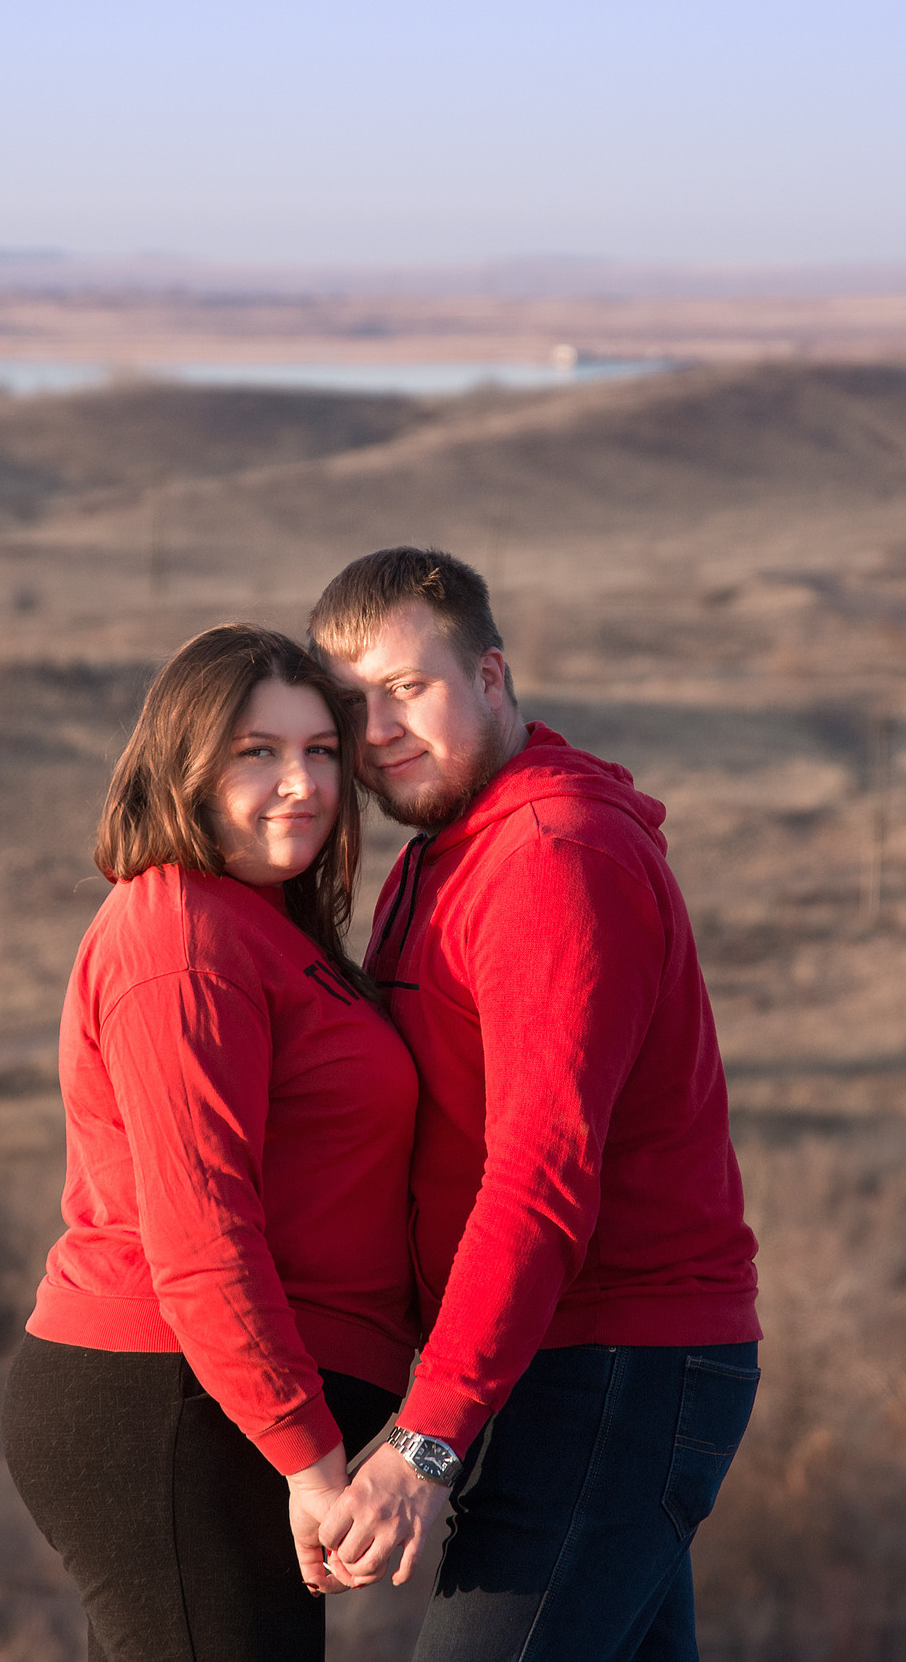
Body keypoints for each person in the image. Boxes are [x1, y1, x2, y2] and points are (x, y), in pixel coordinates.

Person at [310, 548, 762, 1660]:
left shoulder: (552, 860)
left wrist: (428, 1440)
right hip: (561, 1361)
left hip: (614, 1366)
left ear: (492, 677)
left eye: (408, 688)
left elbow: (539, 1174)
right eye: (350, 704)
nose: (377, 731)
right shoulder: (447, 854)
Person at [0, 624, 420, 1662]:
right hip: (175, 1408)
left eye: (321, 751)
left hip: (214, 1413)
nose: (300, 784)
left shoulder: (258, 926)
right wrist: (312, 1465)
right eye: (256, 752)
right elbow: (200, 1239)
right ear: (182, 765)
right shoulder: (181, 938)